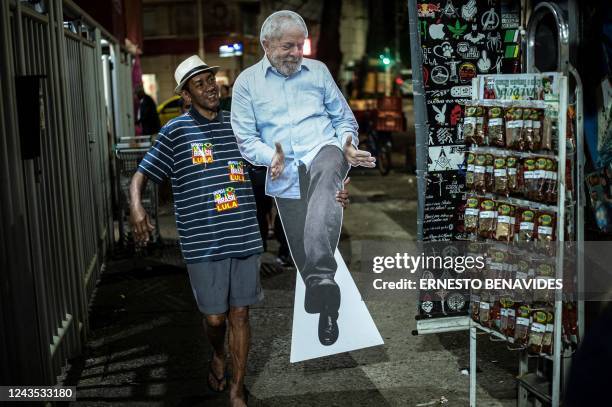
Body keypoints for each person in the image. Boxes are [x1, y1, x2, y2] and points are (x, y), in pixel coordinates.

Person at [129, 55, 350, 405]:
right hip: (202, 242)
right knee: (215, 319)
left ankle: (236, 388)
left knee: (241, 314)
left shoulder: (240, 127)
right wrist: (137, 206)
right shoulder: (175, 132)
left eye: (210, 80)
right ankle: (217, 355)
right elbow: (142, 174)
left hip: (244, 234)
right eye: (199, 84)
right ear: (186, 95)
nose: (209, 87)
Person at [231, 10, 375, 347]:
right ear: (266, 45)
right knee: (303, 253)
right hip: (284, 174)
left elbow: (343, 120)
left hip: (323, 151)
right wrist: (271, 157)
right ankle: (327, 306)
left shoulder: (319, 72)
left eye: (300, 45)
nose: (297, 53)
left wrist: (347, 145)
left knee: (328, 170)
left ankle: (323, 281)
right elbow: (245, 138)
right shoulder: (247, 84)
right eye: (288, 46)